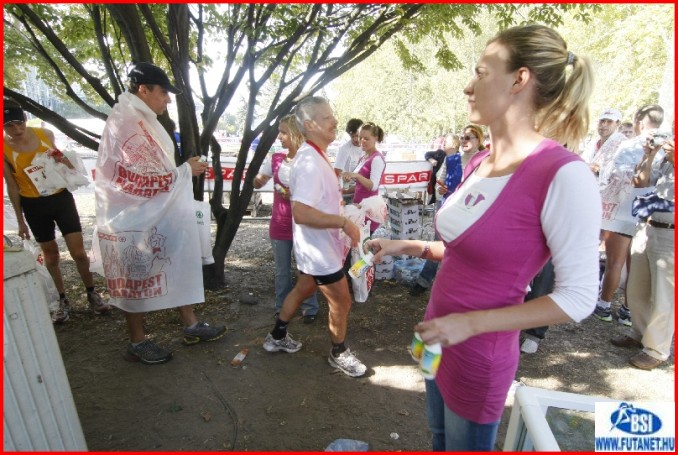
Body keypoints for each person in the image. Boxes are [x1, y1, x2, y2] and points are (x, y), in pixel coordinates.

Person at [366, 24, 600, 451]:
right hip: (438, 336)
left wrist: (471, 323)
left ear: (519, 79)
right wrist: (408, 246)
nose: (467, 86)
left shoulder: (562, 174)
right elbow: (468, 253)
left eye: (480, 72)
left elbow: (580, 297)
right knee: (439, 440)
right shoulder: (480, 163)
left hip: (478, 356)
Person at [94, 62, 225, 365]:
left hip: (153, 210)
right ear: (144, 89)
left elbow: (150, 172)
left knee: (175, 260)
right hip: (130, 216)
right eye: (164, 92)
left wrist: (182, 170)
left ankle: (191, 324)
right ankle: (137, 342)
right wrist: (184, 171)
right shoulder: (125, 123)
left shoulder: (141, 119)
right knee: (132, 276)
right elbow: (137, 179)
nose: (167, 99)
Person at [261, 96, 367, 378]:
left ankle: (277, 335)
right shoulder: (309, 161)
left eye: (333, 115)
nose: (335, 121)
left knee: (303, 289)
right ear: (309, 124)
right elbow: (302, 213)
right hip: (319, 251)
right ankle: (339, 352)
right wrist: (343, 222)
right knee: (341, 302)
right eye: (327, 117)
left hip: (317, 248)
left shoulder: (315, 155)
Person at [3, 99, 111, 323]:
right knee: (51, 255)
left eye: (18, 123)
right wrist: (20, 220)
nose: (16, 129)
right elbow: (11, 185)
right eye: (9, 125)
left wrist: (63, 161)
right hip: (33, 204)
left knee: (78, 252)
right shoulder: (3, 147)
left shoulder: (45, 134)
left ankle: (92, 293)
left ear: (25, 119)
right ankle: (61, 300)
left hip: (60, 198)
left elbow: (62, 162)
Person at [593, 105, 665, 324]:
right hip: (651, 212)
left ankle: (604, 305)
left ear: (638, 122)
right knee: (637, 265)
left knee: (615, 262)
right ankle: (628, 309)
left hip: (623, 210)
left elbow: (613, 177)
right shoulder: (667, 147)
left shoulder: (630, 145)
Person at [611, 134, 674, 370]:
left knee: (664, 294)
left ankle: (656, 349)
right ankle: (639, 333)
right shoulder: (665, 159)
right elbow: (641, 183)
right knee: (637, 288)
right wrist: (649, 156)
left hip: (671, 233)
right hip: (647, 226)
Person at [254, 114, 319, 323]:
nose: (279, 137)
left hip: (304, 225)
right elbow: (258, 181)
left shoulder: (310, 161)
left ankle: (310, 308)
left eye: (283, 132)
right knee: (282, 271)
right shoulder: (275, 159)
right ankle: (281, 308)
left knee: (306, 269)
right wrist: (258, 180)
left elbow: (320, 193)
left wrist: (297, 193)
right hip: (280, 224)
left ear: (296, 133)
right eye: (279, 132)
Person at [409, 129, 479, 296]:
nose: (464, 140)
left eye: (468, 137)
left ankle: (463, 286)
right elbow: (440, 183)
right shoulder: (451, 159)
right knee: (438, 242)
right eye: (462, 137)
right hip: (448, 207)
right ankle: (424, 280)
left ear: (478, 140)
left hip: (473, 211)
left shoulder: (485, 161)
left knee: (468, 248)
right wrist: (440, 190)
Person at [342, 122, 386, 233]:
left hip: (368, 212)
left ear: (376, 138)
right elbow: (360, 186)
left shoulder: (376, 159)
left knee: (361, 242)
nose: (362, 141)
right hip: (358, 209)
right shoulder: (364, 157)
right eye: (360, 137)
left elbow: (373, 186)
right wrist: (343, 190)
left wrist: (356, 175)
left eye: (366, 139)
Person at [581, 108, 626, 176]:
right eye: (602, 120)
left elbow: (622, 173)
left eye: (609, 121)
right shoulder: (593, 143)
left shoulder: (622, 144)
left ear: (618, 124)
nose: (604, 124)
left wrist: (598, 170)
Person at [333, 118, 363, 204]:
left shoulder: (367, 148)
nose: (356, 139)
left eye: (358, 136)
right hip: (348, 194)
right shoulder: (344, 149)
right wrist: (345, 176)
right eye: (353, 136)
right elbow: (336, 172)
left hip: (362, 191)